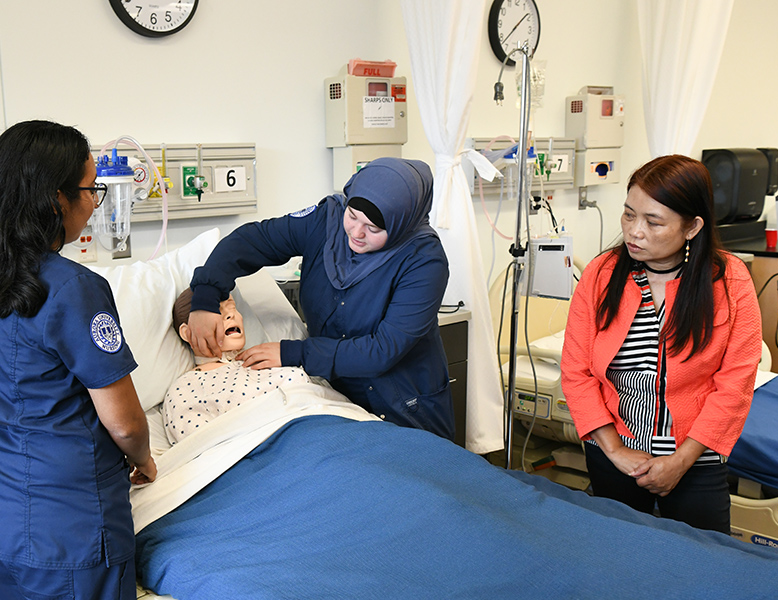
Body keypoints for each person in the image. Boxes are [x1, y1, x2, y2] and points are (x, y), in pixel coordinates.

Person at [185, 157, 455, 440]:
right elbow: (253, 241)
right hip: (340, 404)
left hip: (406, 405)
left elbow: (383, 350)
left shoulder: (424, 260)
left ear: (402, 223)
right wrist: (205, 295)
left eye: (374, 229)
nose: (357, 233)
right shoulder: (325, 221)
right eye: (352, 216)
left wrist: (294, 353)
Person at [561, 154, 762, 533]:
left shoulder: (728, 281)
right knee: (617, 557)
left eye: (654, 222)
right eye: (628, 215)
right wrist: (615, 451)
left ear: (692, 227)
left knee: (703, 566)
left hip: (695, 458)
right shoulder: (601, 276)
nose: (635, 231)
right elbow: (576, 371)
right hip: (613, 451)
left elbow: (735, 384)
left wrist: (681, 461)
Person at [0, 120, 156, 600]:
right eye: (91, 190)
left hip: (9, 515)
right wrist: (144, 460)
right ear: (55, 200)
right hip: (74, 529)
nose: (95, 203)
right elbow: (126, 423)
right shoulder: (74, 289)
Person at [163, 288, 309, 444]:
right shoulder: (185, 387)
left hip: (317, 427)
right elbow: (198, 447)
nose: (231, 314)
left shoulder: (268, 358)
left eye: (233, 307)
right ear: (188, 333)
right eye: (217, 311)